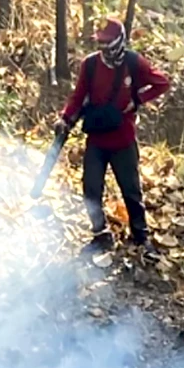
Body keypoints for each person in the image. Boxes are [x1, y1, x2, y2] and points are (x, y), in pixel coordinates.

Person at [54, 17, 171, 255]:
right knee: (91, 188)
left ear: (119, 41)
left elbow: (162, 83)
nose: (104, 48)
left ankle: (140, 237)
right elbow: (78, 96)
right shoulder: (90, 65)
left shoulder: (134, 63)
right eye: (101, 43)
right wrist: (65, 118)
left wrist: (136, 100)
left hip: (123, 139)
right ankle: (101, 234)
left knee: (131, 190)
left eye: (108, 43)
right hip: (97, 138)